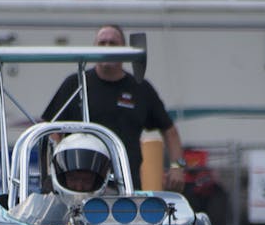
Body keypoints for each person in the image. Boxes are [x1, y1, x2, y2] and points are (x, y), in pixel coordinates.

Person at [42, 24, 185, 192]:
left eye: (113, 43)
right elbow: (50, 131)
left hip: (126, 187)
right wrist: (53, 172)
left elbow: (170, 132)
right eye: (102, 43)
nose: (107, 47)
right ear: (94, 48)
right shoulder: (75, 84)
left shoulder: (140, 88)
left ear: (125, 50)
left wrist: (177, 167)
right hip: (80, 189)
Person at [50, 133, 112, 204]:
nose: (79, 187)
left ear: (97, 181)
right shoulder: (46, 204)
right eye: (73, 179)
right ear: (62, 178)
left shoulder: (114, 207)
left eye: (87, 180)